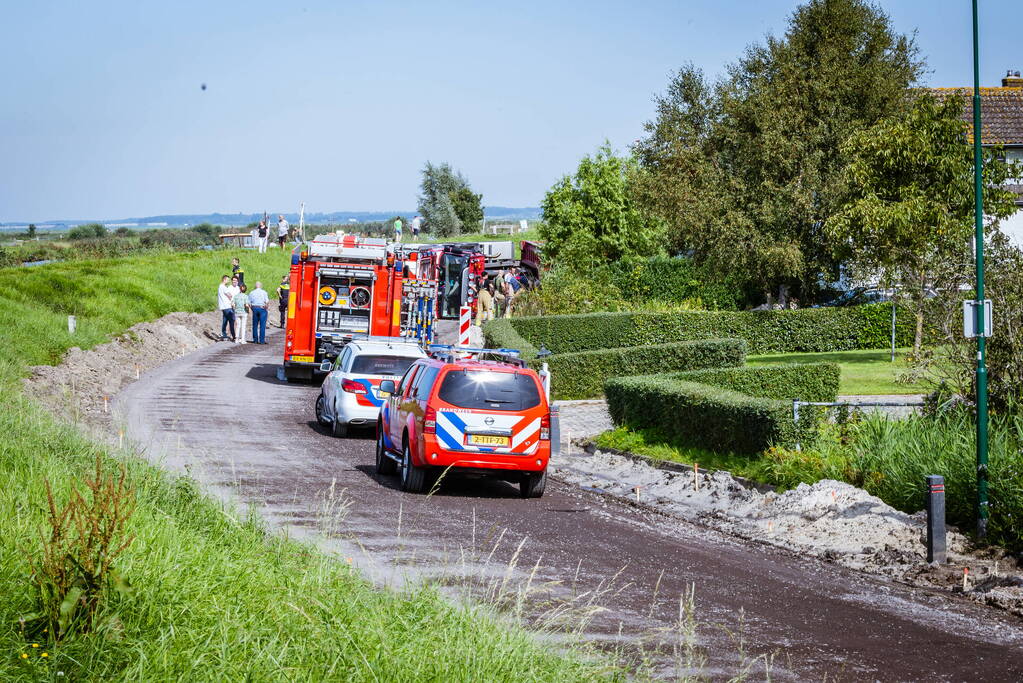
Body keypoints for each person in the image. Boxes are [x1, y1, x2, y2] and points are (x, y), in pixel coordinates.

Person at [217, 275, 237, 341]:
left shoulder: (220, 286)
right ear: (224, 280)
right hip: (227, 306)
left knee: (225, 321)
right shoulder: (223, 287)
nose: (228, 281)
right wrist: (231, 297)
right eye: (228, 280)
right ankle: (234, 336)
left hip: (223, 306)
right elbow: (229, 295)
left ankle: (224, 335)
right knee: (231, 321)